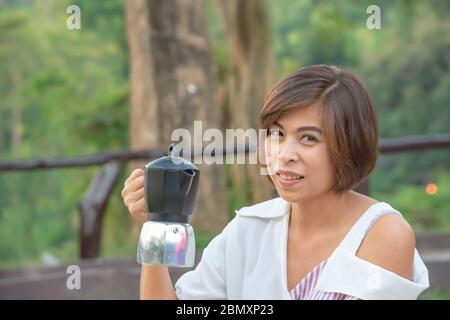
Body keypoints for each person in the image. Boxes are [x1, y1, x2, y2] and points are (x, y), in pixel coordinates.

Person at [121, 65, 429, 300]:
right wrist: (158, 225)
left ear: (349, 145)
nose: (284, 154)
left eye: (308, 138)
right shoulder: (249, 229)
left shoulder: (382, 233)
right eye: (276, 134)